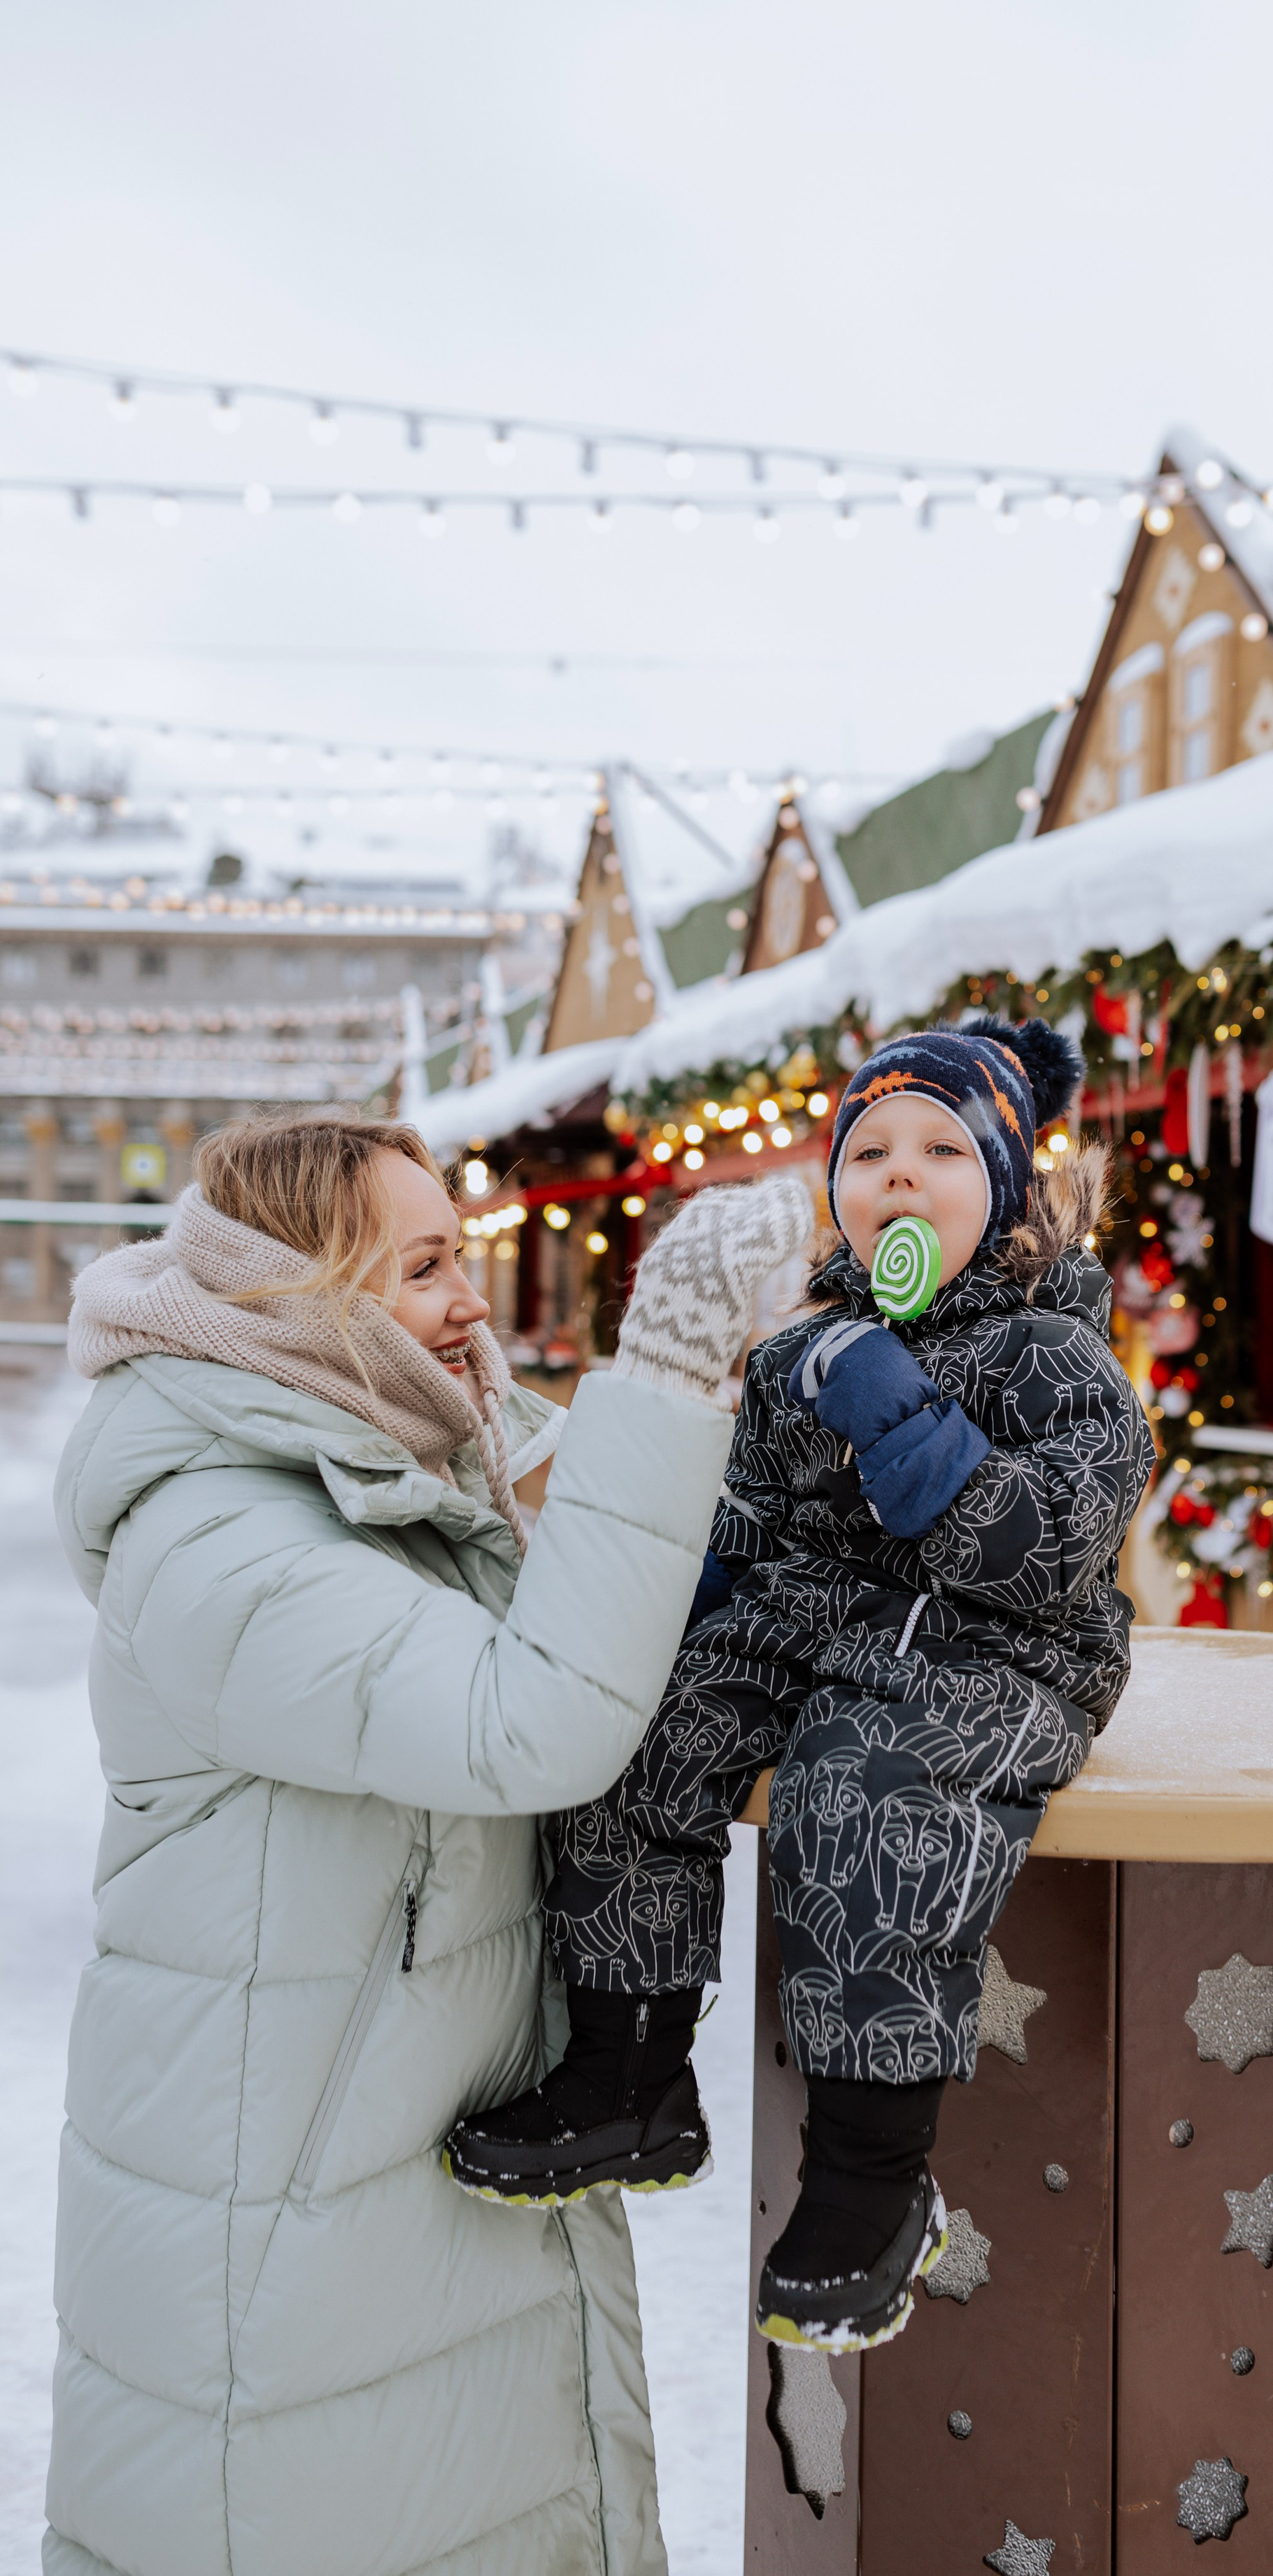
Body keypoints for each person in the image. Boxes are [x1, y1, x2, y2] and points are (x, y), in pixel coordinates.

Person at [45, 1106, 812, 2576]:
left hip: (390, 2207)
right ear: (295, 1301)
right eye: (426, 1268)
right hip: (282, 2258)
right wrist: (660, 1356)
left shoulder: (412, 1465)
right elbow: (526, 1724)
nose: (471, 1301)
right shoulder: (221, 1543)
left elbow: (632, 1560)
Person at [448, 1019, 1155, 2354]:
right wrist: (658, 1607)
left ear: (1008, 1196)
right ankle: (629, 2068)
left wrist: (896, 1407)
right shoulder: (798, 1356)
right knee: (647, 1732)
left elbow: (1042, 1553)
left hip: (996, 1646)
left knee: (859, 1786)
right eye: (870, 1150)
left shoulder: (1057, 1363)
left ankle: (871, 2182)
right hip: (818, 1624)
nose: (901, 1175)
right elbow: (750, 1526)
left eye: (945, 1150)